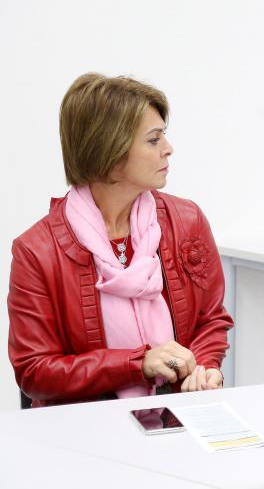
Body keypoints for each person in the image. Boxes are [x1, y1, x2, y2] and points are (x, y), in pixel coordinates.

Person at [8, 73, 234, 407]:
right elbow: (34, 371)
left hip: (178, 414)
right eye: (153, 140)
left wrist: (203, 367)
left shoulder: (187, 221)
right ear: (110, 155)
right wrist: (136, 365)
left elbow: (210, 320)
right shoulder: (36, 251)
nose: (168, 149)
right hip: (84, 427)